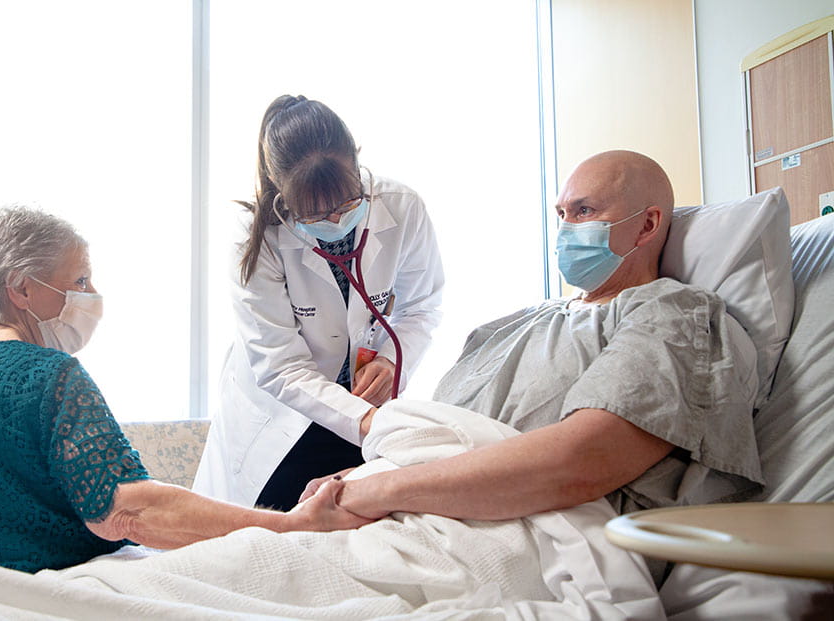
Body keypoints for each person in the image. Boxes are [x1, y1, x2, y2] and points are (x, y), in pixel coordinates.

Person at [304, 150, 763, 584]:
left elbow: (581, 461)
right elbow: (436, 438)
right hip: (411, 518)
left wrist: (377, 490)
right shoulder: (516, 323)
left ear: (646, 225)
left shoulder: (670, 312)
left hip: (520, 539)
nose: (566, 229)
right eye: (561, 215)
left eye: (583, 212)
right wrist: (361, 476)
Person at [0, 206, 368, 573]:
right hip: (37, 592)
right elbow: (127, 512)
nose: (91, 293)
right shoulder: (45, 375)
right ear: (21, 289)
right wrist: (291, 524)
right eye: (78, 279)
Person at [193, 95, 445, 511]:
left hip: (366, 401)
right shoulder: (257, 238)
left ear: (357, 162)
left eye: (347, 203)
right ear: (282, 196)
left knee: (362, 527)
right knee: (272, 532)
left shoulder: (402, 207)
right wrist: (365, 421)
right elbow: (281, 366)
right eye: (313, 214)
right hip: (283, 417)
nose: (334, 220)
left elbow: (421, 308)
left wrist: (387, 362)